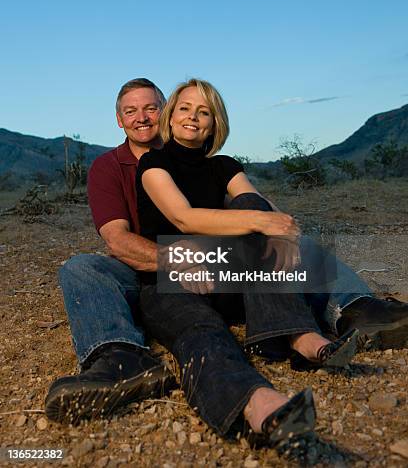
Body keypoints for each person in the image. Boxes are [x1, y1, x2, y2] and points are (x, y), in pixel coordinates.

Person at [45, 77, 408, 426]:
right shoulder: (110, 167)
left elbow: (248, 205)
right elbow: (119, 240)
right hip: (147, 264)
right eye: (130, 111)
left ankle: (354, 309)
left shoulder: (212, 163)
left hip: (214, 262)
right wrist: (177, 258)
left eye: (151, 108)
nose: (142, 117)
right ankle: (118, 356)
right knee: (81, 268)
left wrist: (278, 227)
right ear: (119, 119)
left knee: (297, 244)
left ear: (164, 111)